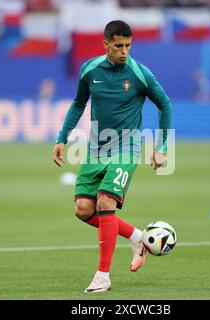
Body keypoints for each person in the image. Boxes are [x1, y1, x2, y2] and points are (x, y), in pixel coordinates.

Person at [52, 20, 172, 293]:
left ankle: (103, 276)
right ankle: (138, 237)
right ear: (105, 44)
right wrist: (62, 137)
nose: (124, 51)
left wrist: (162, 147)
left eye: (128, 45)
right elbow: (78, 104)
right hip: (95, 149)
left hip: (126, 148)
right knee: (83, 209)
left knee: (106, 202)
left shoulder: (140, 73)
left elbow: (165, 105)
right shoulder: (89, 70)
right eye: (119, 46)